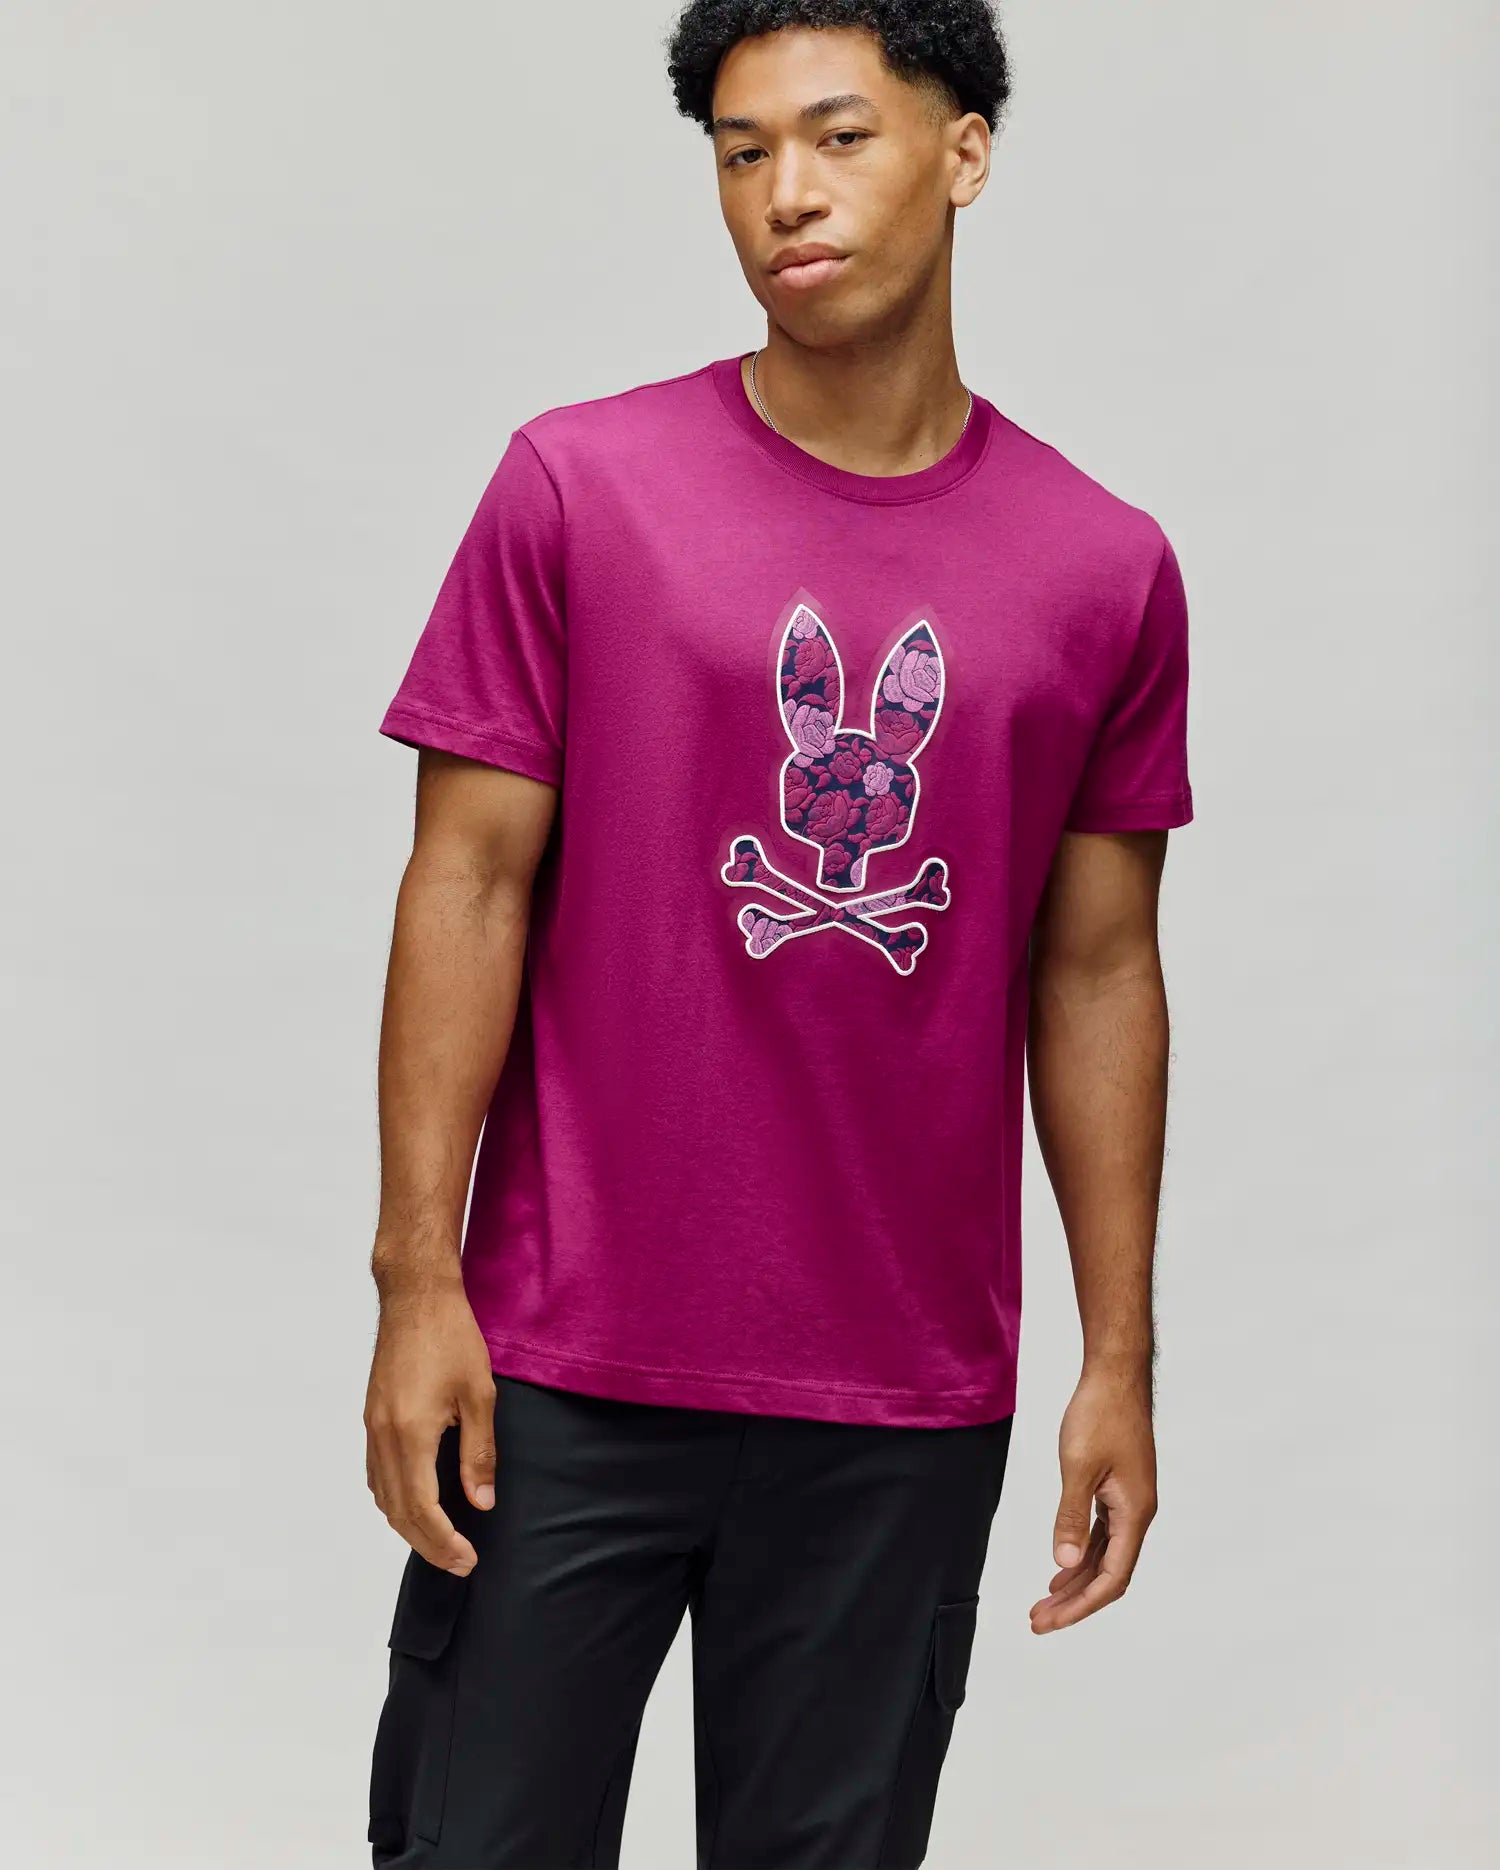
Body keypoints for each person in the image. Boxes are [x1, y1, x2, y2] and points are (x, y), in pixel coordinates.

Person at [362, 4, 1194, 1865]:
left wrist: (1119, 1353)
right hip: (560, 1360)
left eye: (837, 137)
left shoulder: (1102, 565)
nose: (784, 195)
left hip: (901, 1389)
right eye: (741, 155)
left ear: (964, 152)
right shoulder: (579, 488)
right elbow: (464, 883)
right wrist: (419, 1282)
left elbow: (1098, 967)